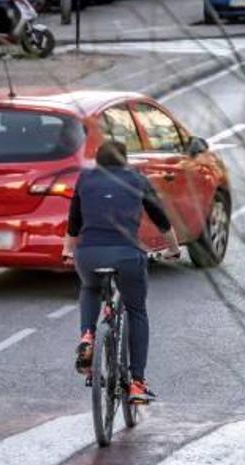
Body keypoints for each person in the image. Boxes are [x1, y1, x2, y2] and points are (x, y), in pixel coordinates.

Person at [62, 140, 179, 404]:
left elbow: (74, 222)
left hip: (89, 255)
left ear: (98, 161)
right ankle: (137, 382)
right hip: (127, 255)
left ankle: (88, 335)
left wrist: (68, 251)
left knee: (90, 287)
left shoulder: (85, 179)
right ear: (125, 161)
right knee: (136, 310)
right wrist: (173, 249)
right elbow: (160, 218)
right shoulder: (137, 179)